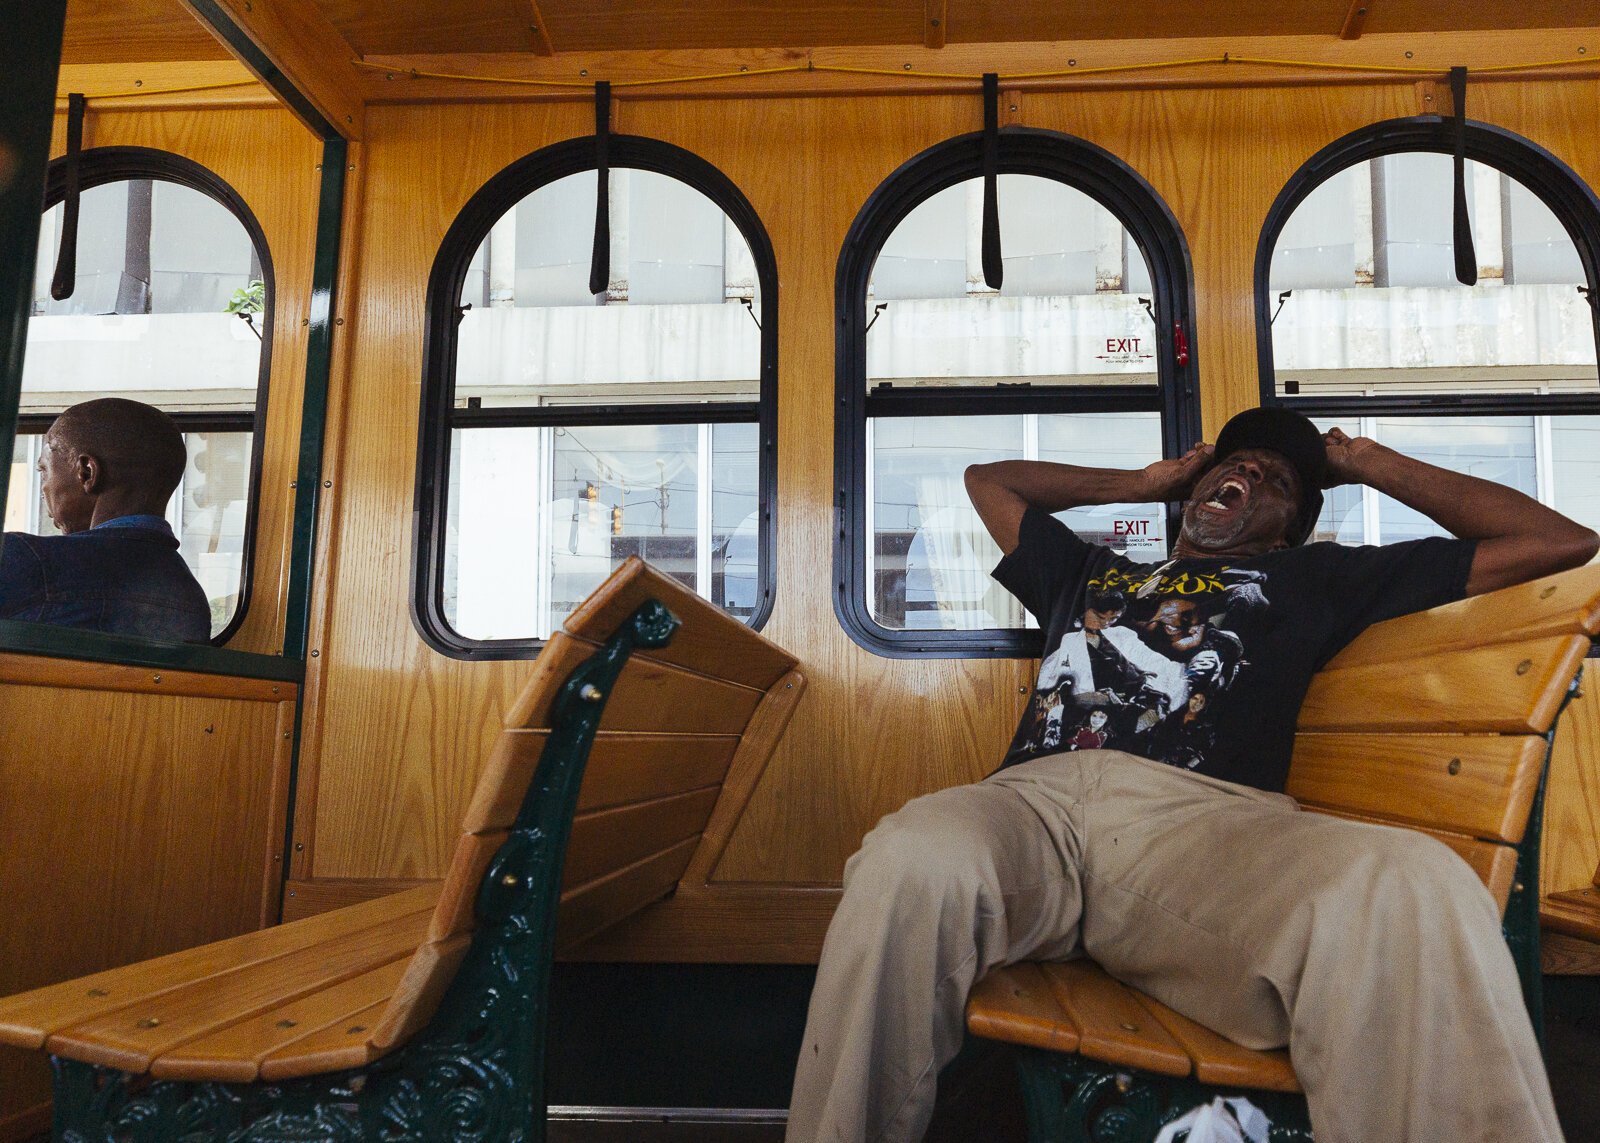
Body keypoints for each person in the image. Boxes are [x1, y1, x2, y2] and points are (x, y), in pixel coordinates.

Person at [787, 407, 1598, 1143]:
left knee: (1414, 885)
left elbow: (1558, 543)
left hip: (1200, 832)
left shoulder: (1315, 579)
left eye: (1275, 479)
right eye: (1230, 466)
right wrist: (1147, 481)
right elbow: (987, 483)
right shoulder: (1090, 574)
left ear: (1291, 525)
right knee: (906, 860)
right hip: (1031, 806)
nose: (1242, 476)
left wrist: (1367, 462)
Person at [0, 398, 211, 642]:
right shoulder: (193, 602)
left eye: (44, 470)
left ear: (87, 472)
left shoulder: (27, 560)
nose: (44, 487)